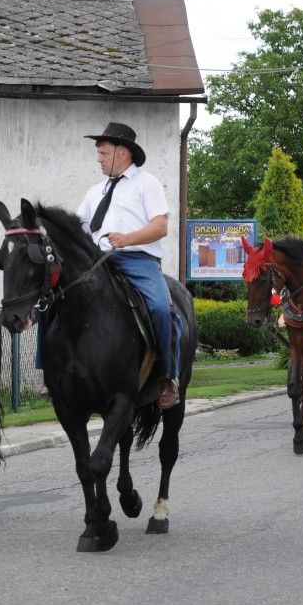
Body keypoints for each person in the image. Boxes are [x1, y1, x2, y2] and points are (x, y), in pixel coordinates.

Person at [77, 122, 182, 409]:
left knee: (162, 308)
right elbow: (79, 228)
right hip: (100, 262)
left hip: (138, 260)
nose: (98, 158)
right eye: (98, 153)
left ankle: (167, 378)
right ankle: (56, 373)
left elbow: (160, 227)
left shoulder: (146, 184)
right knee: (60, 297)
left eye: (103, 153)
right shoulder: (94, 192)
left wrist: (127, 239)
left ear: (122, 153)